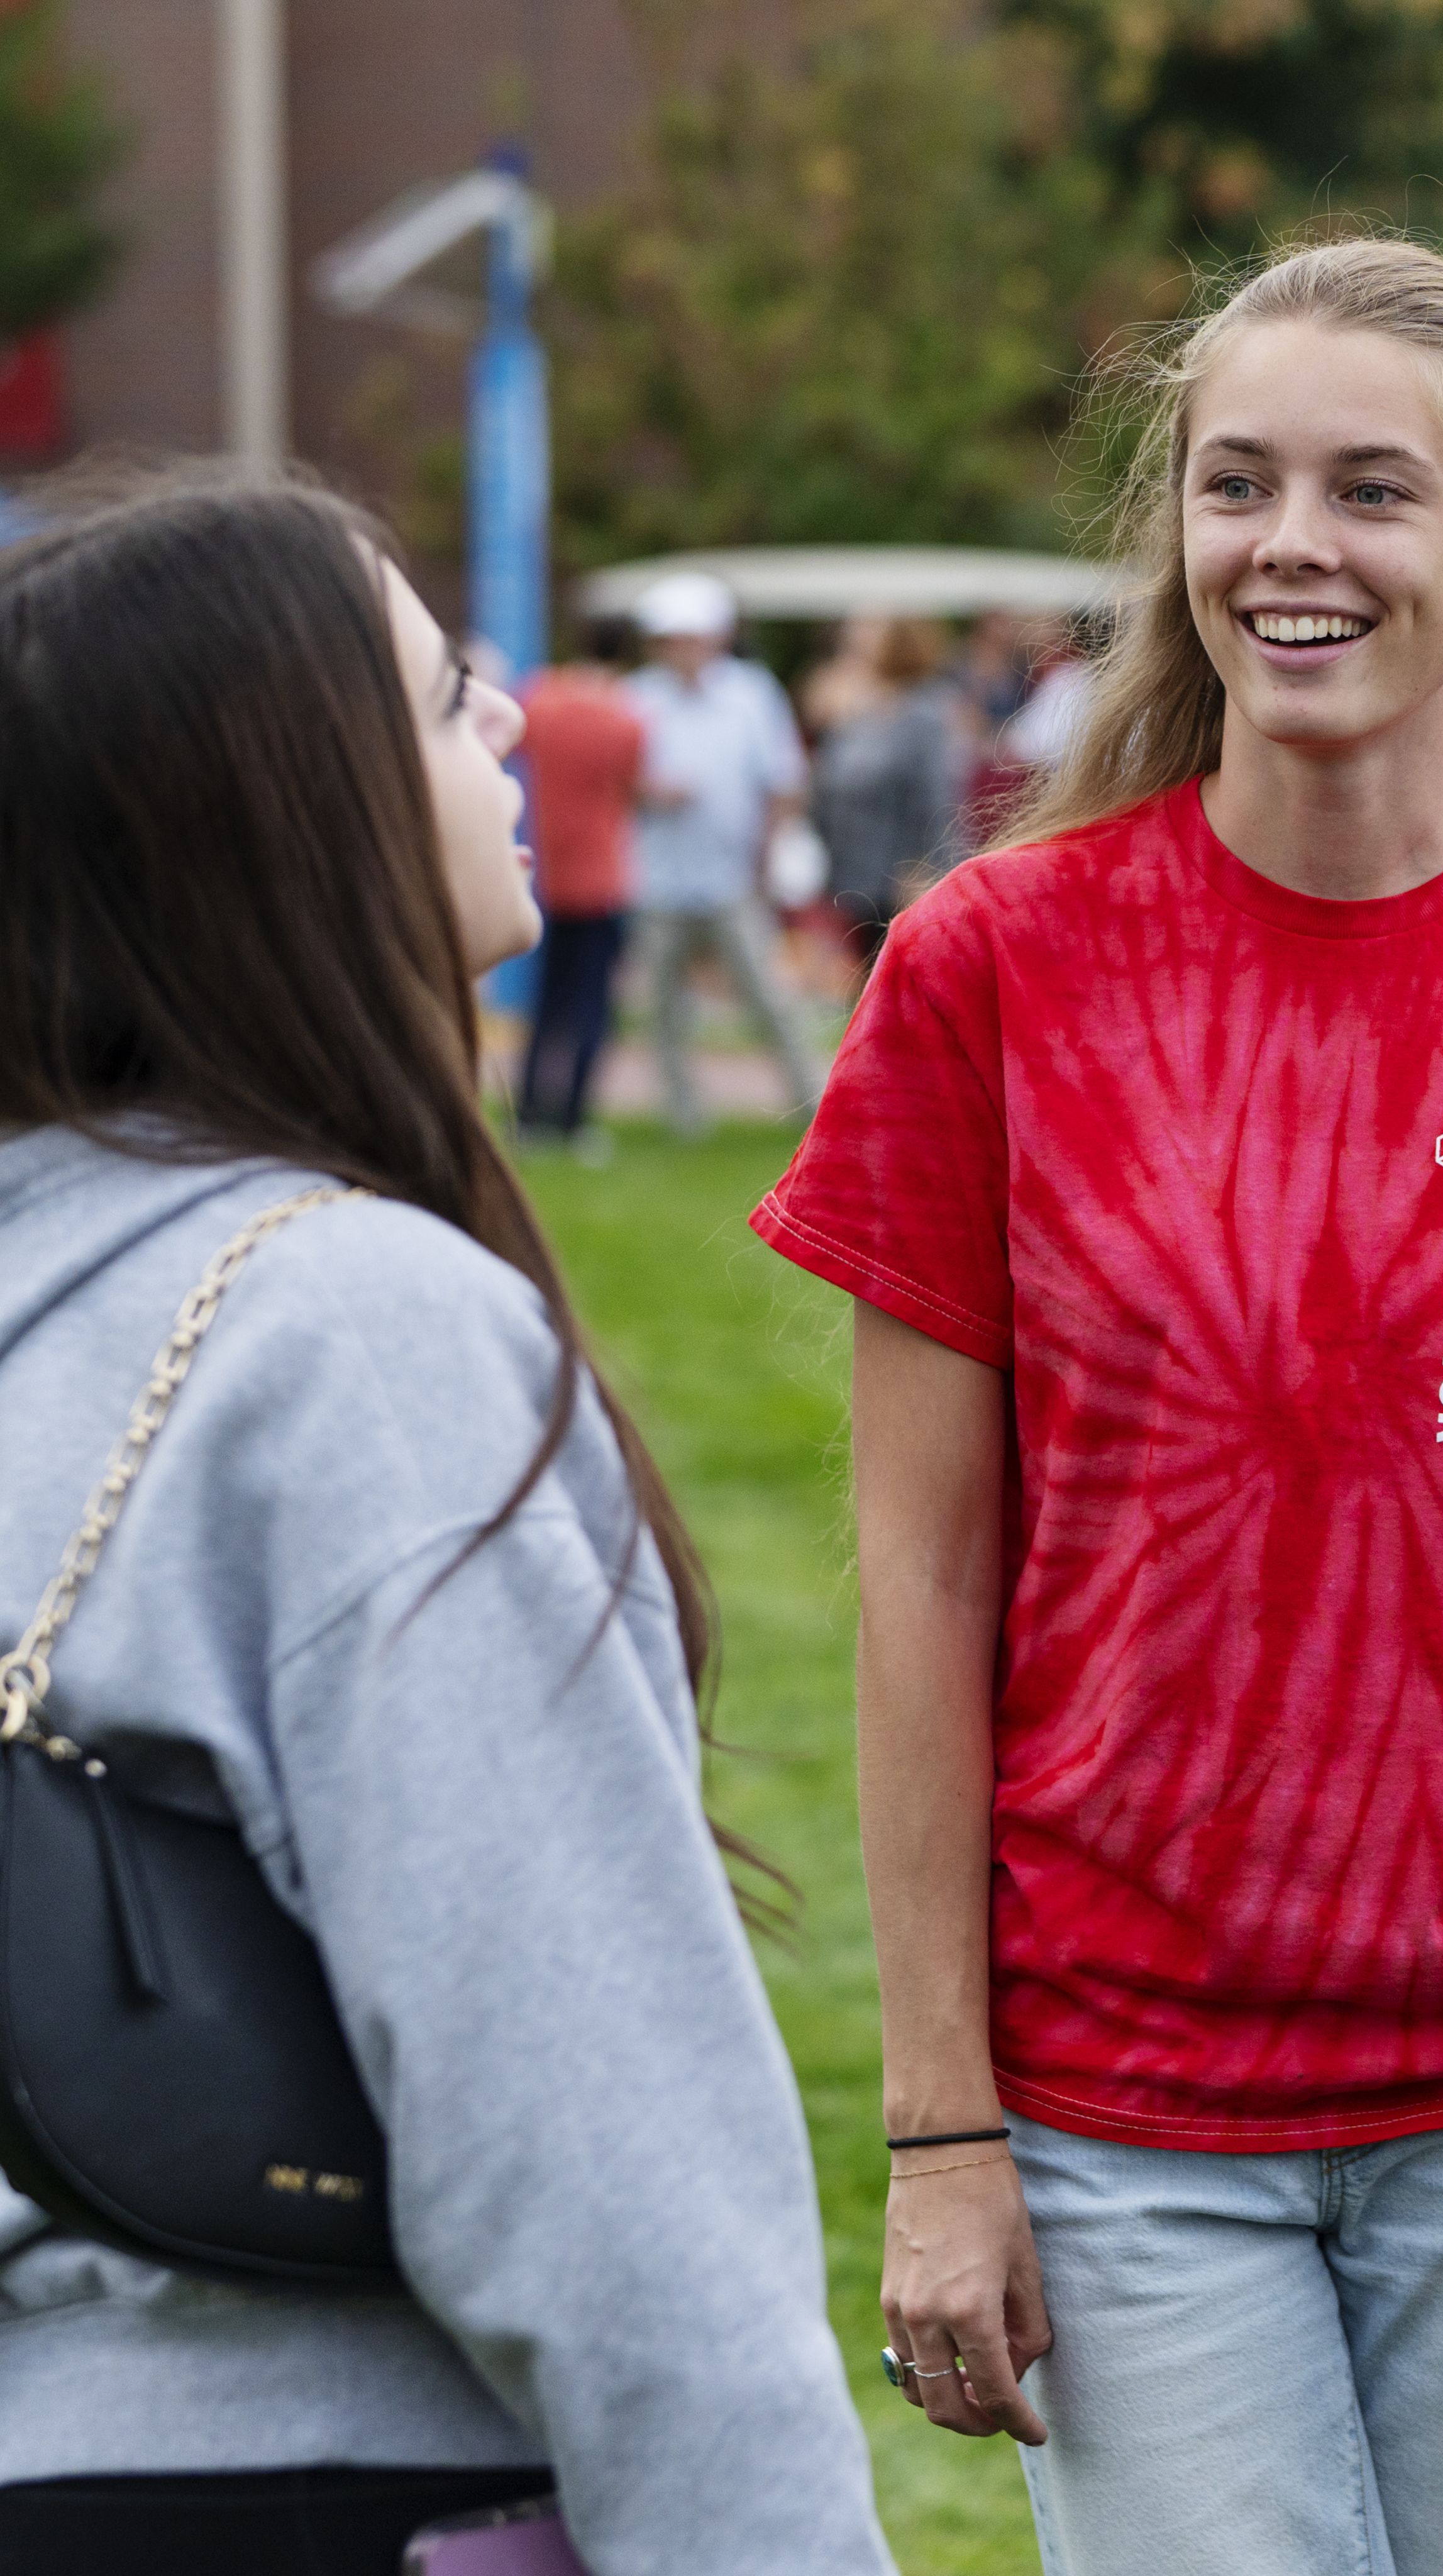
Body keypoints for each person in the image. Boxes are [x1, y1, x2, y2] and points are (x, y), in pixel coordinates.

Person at [749, 236, 1443, 2575]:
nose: (1293, 544)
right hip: (1122, 2102)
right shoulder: (990, 967)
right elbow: (923, 1585)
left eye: (1371, 489)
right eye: (1235, 482)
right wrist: (943, 2133)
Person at [0, 474, 890, 2575]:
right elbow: (587, 2138)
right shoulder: (355, 1335)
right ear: (275, 814)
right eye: (437, 692)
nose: (506, 723)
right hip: (326, 2481)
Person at [621, 572, 821, 1136]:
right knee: (660, 1006)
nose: (677, 650)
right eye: (668, 639)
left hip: (732, 878)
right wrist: (649, 793)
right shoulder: (637, 697)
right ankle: (683, 1113)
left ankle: (811, 1104)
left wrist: (767, 853)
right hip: (658, 878)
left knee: (770, 998)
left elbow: (783, 780)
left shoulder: (750, 694)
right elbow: (618, 781)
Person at [515, 624, 646, 1154]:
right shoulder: (625, 719)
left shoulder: (541, 700)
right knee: (592, 1005)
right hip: (602, 878)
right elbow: (634, 787)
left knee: (545, 1002)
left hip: (548, 872)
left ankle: (528, 1113)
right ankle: (571, 1120)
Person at [807, 616, 965, 974]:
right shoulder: (857, 709)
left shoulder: (925, 713)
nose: (855, 636)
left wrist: (928, 866)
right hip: (855, 870)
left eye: (870, 628)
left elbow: (936, 797)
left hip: (901, 874)